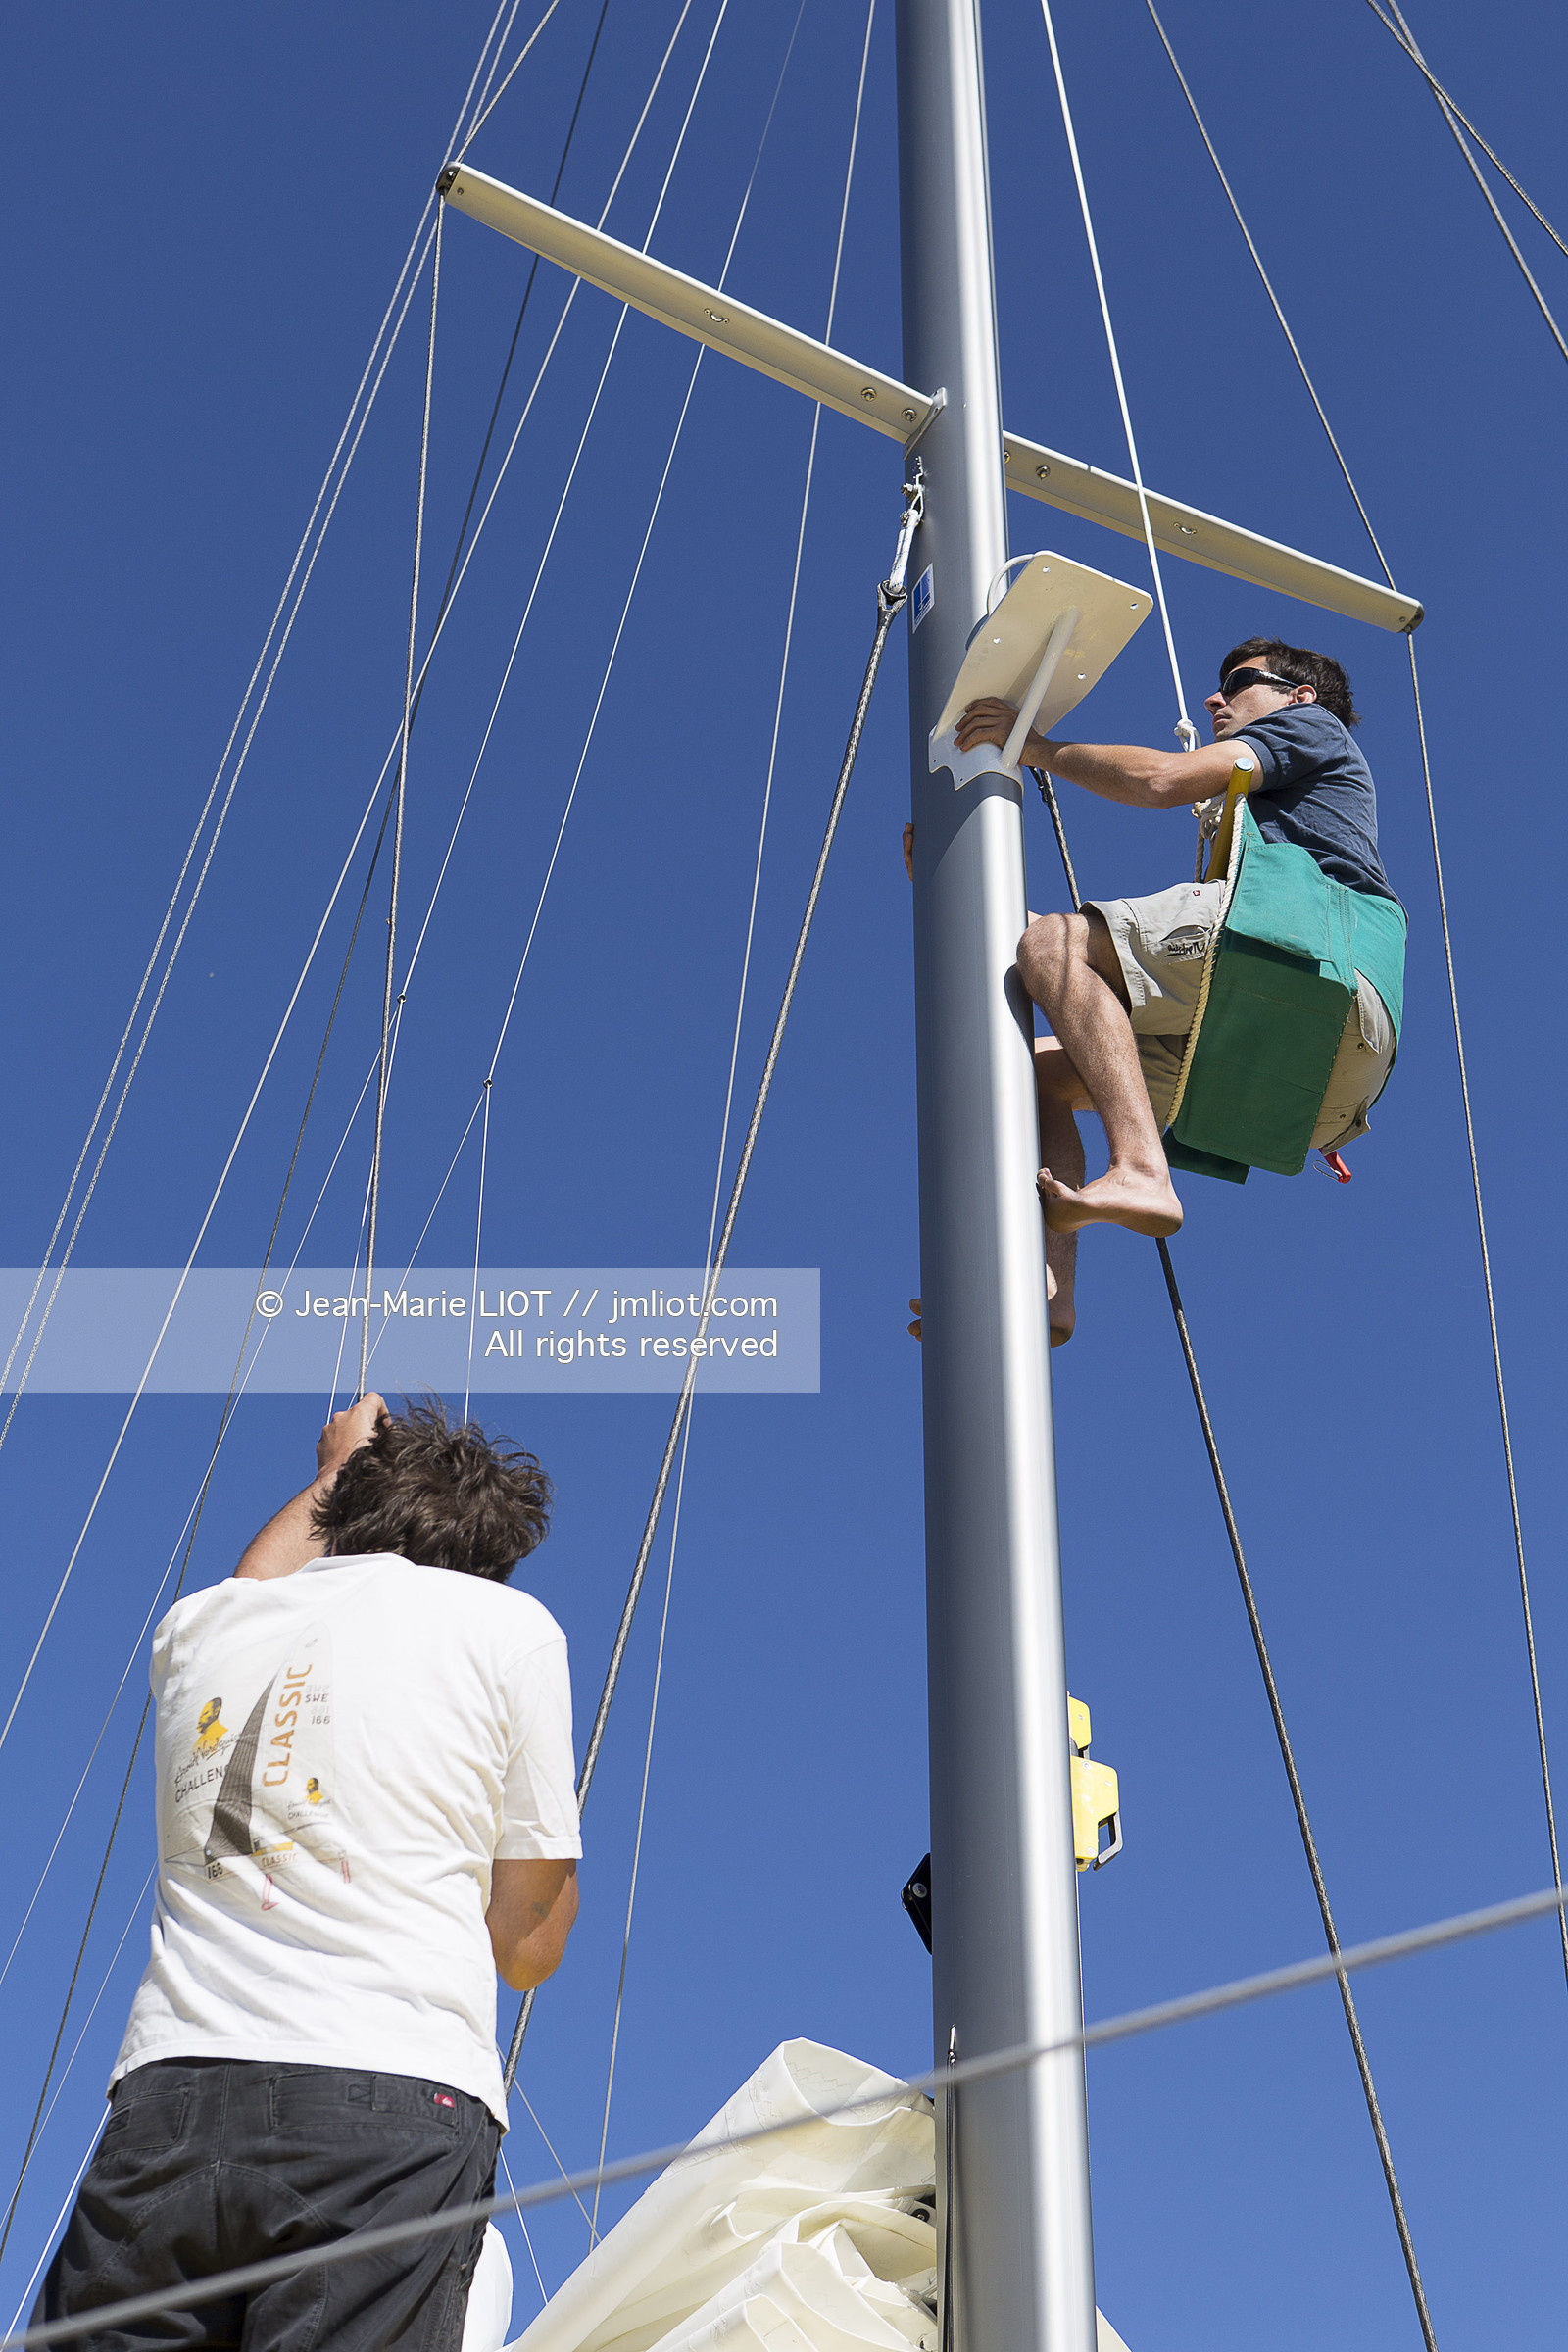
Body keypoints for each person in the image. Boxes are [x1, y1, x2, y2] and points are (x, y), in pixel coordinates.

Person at [35, 1393, 581, 2352]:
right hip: (389, 2104)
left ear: (341, 1519)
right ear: (489, 1559)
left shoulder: (203, 1627)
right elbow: (528, 1947)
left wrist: (337, 1469)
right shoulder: (509, 1628)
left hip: (172, 2101)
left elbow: (260, 1576)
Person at [954, 636, 1401, 1342]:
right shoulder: (1280, 783)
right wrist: (950, 885)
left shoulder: (1311, 728)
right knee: (1034, 1071)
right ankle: (1050, 1291)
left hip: (1320, 966)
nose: (1214, 698)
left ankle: (1139, 1168)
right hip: (1324, 1076)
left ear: (1300, 696)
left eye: (1239, 682)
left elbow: (1161, 779)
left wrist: (1035, 747)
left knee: (1053, 944)